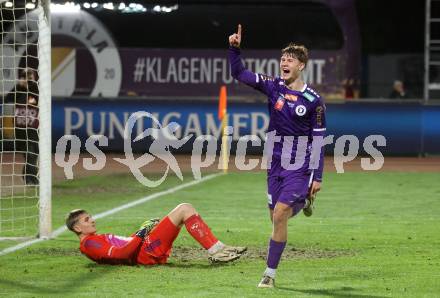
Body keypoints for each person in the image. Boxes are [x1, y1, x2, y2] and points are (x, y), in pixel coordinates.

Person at [228, 25, 326, 288]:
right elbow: (238, 73)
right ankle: (302, 201)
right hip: (274, 161)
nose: (284, 62)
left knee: (280, 214)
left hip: (299, 165)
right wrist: (234, 49)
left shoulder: (314, 101)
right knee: (275, 216)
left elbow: (318, 139)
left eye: (290, 60)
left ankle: (269, 275)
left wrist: (317, 175)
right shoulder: (273, 86)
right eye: (282, 59)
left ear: (301, 66)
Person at [66, 203, 246, 265]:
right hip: (146, 252)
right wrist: (142, 233)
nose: (92, 221)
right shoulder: (88, 244)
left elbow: (124, 247)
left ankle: (219, 249)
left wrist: (141, 232)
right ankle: (217, 251)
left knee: (184, 209)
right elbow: (122, 254)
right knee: (184, 209)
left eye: (90, 217)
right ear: (77, 229)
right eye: (86, 220)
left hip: (144, 248)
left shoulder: (92, 240)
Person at [4, 68, 39, 185]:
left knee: (34, 153)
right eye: (25, 76)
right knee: (29, 154)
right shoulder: (18, 92)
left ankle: (28, 176)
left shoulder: (35, 90)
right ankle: (30, 178)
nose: (27, 78)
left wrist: (30, 84)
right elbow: (8, 99)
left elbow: (36, 96)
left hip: (32, 128)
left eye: (30, 76)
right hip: (20, 129)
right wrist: (19, 86)